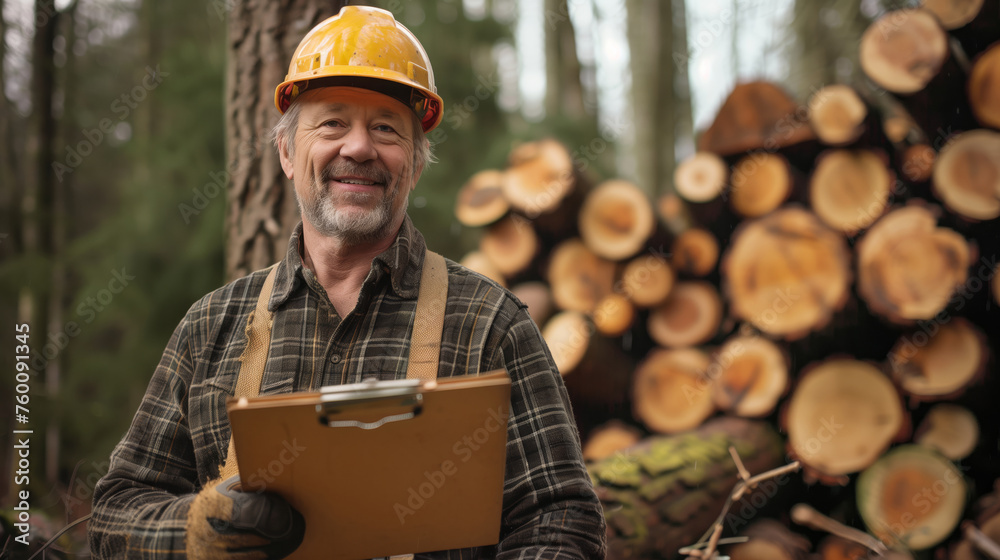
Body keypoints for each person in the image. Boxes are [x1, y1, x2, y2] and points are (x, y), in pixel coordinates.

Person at [89, 6, 607, 559]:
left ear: (415, 162)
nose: (358, 147)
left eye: (385, 127)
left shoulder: (490, 324)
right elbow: (115, 513)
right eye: (332, 122)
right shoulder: (210, 326)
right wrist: (195, 530)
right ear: (287, 153)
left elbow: (562, 518)